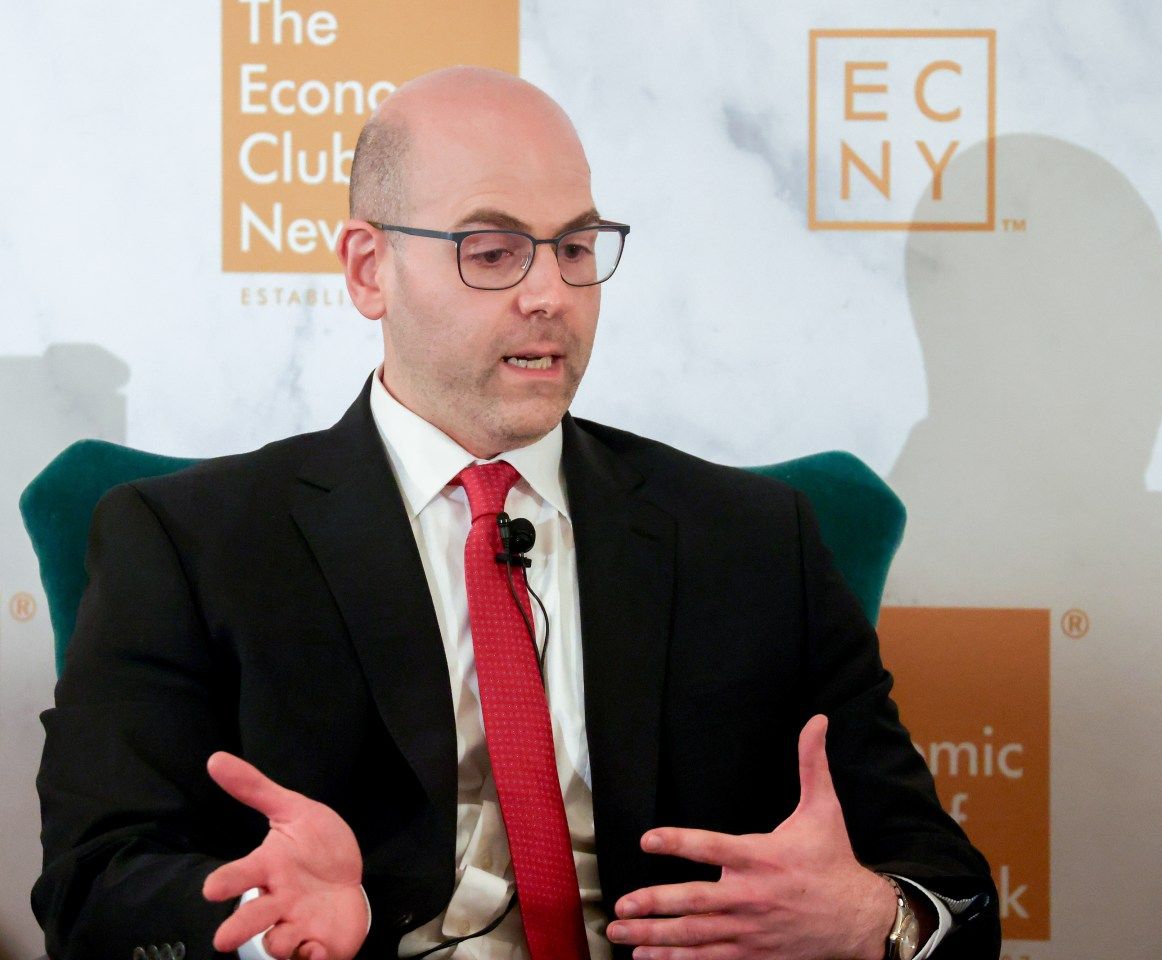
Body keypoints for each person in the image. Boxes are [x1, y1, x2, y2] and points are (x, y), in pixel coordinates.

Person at [33, 67, 999, 960]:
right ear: (369, 269)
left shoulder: (755, 542)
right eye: (493, 251)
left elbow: (952, 897)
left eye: (576, 248)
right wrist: (259, 924)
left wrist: (873, 919)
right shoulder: (186, 542)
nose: (551, 295)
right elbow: (94, 890)